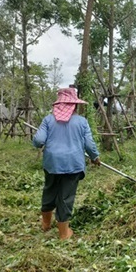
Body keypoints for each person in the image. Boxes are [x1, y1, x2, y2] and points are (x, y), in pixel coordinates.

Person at [33, 87, 101, 240]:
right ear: (74, 105)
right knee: (65, 196)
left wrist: (40, 145)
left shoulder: (48, 120)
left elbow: (38, 140)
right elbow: (89, 145)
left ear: (58, 105)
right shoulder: (82, 122)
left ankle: (45, 224)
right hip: (73, 164)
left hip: (52, 163)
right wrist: (95, 157)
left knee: (50, 190)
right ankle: (64, 233)